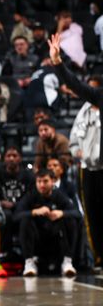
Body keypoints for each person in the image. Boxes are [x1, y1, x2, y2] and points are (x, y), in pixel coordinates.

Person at [50, 32, 103, 265]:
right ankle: (100, 259)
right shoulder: (98, 97)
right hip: (93, 166)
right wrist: (57, 63)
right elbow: (76, 85)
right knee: (93, 213)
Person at [14, 168, 80, 278]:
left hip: (56, 238)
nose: (41, 185)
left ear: (53, 181)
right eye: (39, 181)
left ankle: (67, 261)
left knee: (70, 219)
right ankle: (29, 262)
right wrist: (34, 212)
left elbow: (77, 213)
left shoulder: (59, 195)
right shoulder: (31, 196)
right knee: (25, 220)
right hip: (37, 238)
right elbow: (16, 216)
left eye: (45, 181)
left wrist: (61, 213)